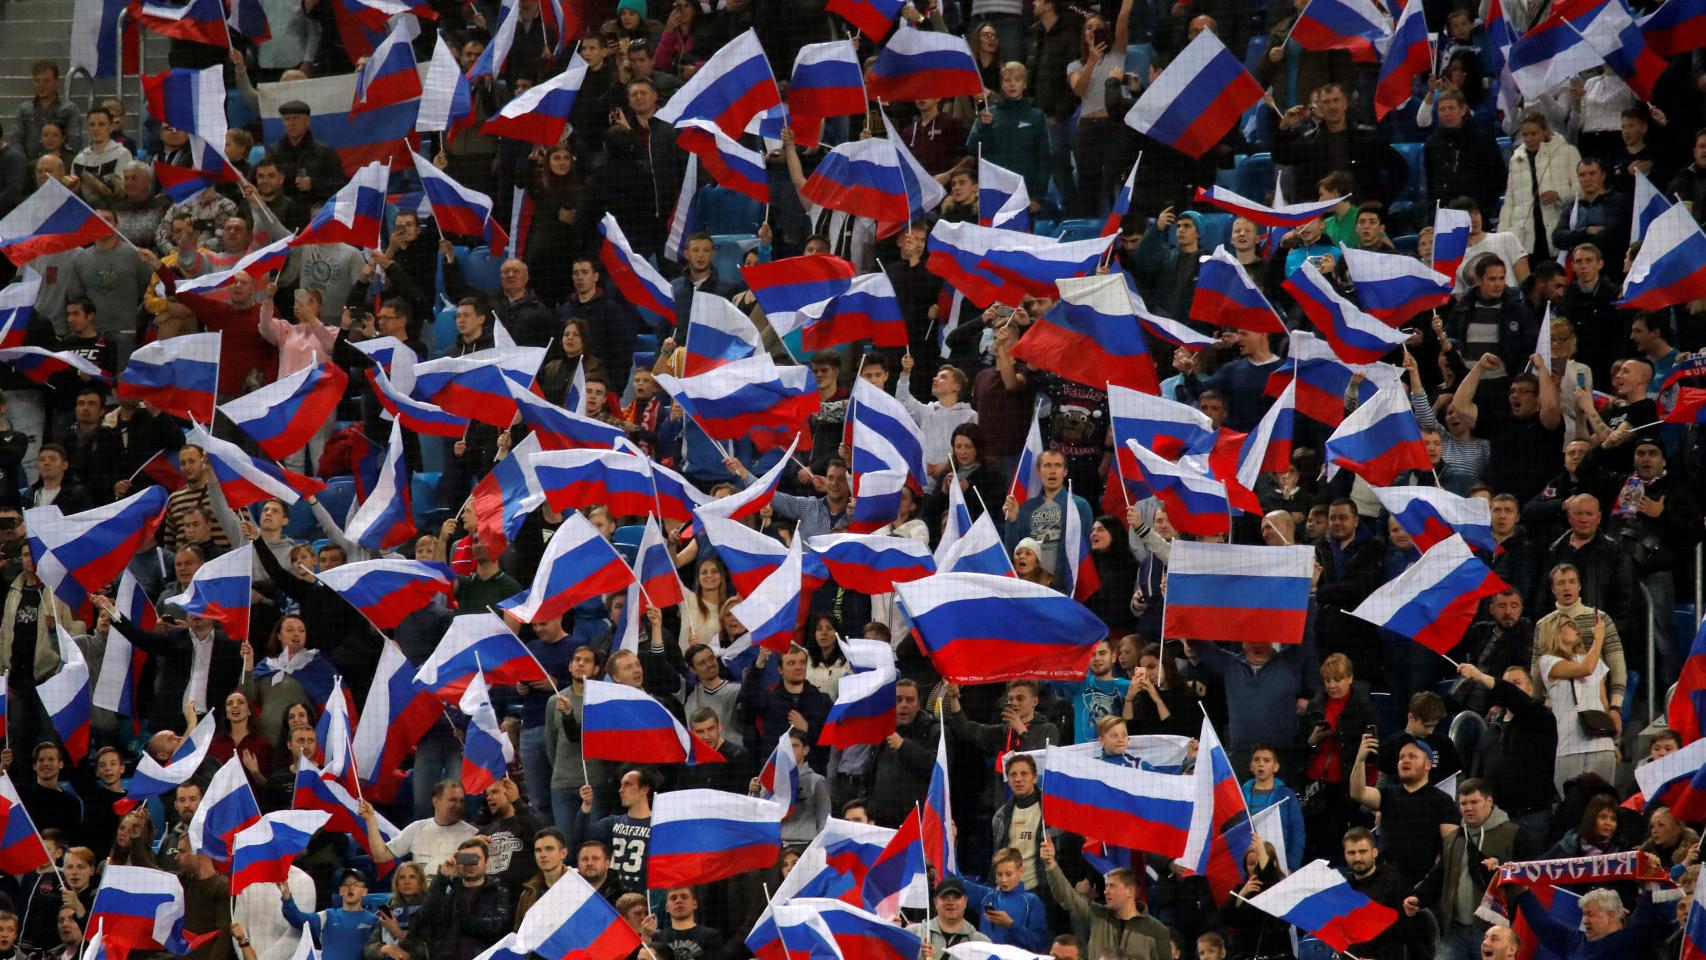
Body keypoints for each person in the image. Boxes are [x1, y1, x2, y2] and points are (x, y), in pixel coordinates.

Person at [1404, 779, 1534, 960]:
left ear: (1489, 801)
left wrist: (1503, 863)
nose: (1468, 808)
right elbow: (1440, 875)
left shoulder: (1514, 834)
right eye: (1463, 803)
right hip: (1454, 931)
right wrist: (1418, 897)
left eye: (1474, 802)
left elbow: (1530, 874)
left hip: (1494, 932)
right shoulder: (1453, 838)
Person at [1347, 732, 1459, 887]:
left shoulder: (1442, 801)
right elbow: (1357, 792)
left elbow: (1450, 850)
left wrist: (1429, 885)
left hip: (1423, 887)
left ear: (1427, 765)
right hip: (1387, 885)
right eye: (1401, 757)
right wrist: (1360, 759)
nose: (1405, 760)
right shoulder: (1387, 794)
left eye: (1413, 756)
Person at [1040, 836, 1171, 960]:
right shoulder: (1095, 915)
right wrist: (1051, 864)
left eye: (1112, 886)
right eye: (1106, 886)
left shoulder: (1157, 931)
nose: (1106, 891)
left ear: (1129, 891)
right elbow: (1067, 896)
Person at [419, 840, 513, 960]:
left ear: (487, 862)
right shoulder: (448, 890)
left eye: (475, 859)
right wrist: (442, 878)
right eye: (465, 859)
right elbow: (425, 917)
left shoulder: (499, 892)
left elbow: (497, 928)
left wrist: (461, 919)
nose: (470, 864)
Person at [366, 781, 478, 874]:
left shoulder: (473, 835)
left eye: (461, 801)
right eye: (452, 800)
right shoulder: (417, 829)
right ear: (436, 801)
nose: (458, 805)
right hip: (421, 898)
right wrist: (370, 819)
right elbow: (381, 855)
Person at [960, 847, 1050, 952]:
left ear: (1020, 871)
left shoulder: (1031, 901)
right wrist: (951, 841)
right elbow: (955, 878)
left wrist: (1011, 924)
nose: (1003, 880)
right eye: (999, 874)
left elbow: (1040, 944)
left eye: (1008, 874)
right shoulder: (987, 895)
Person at [281, 870, 378, 960]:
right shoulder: (326, 916)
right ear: (340, 890)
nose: (350, 887)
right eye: (346, 884)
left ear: (365, 891)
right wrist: (287, 897)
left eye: (356, 884)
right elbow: (297, 918)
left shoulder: (374, 921)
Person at [905, 877, 992, 953]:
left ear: (965, 901)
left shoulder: (982, 943)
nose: (950, 902)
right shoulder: (913, 934)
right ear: (935, 902)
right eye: (944, 897)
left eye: (956, 897)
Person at [652, 887, 722, 960]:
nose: (678, 900)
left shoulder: (711, 936)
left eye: (684, 897)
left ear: (694, 904)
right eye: (673, 898)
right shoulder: (657, 938)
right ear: (667, 908)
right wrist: (646, 937)